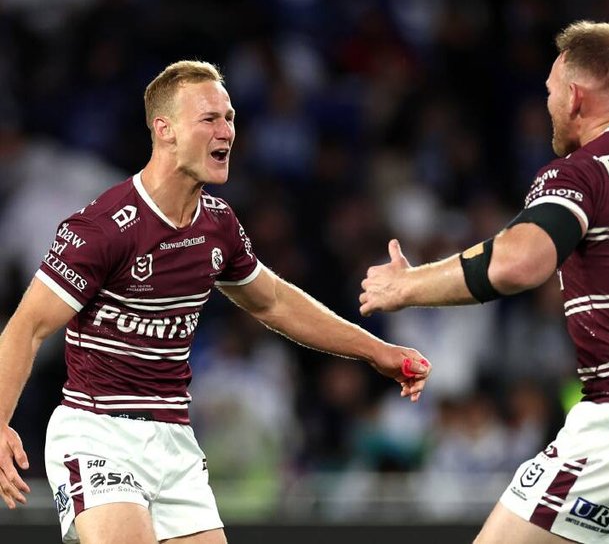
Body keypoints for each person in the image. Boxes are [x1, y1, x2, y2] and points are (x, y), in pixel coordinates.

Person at [359, 20, 609, 544]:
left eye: (552, 91)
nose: (548, 102)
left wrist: (407, 286)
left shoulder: (580, 172)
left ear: (575, 96)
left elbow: (517, 264)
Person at [0, 60, 431, 544]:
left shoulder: (218, 225)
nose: (226, 130)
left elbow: (273, 302)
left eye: (229, 118)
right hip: (99, 434)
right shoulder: (101, 229)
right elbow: (28, 326)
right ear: (165, 131)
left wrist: (377, 351)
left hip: (174, 440)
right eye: (209, 119)